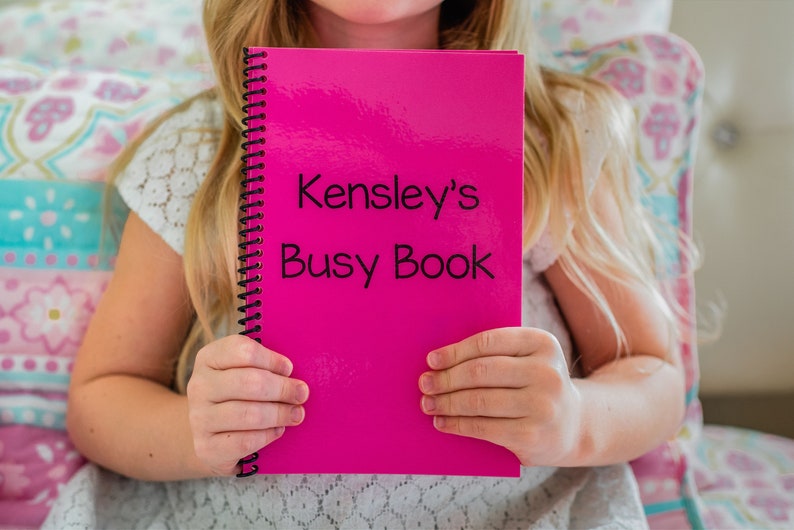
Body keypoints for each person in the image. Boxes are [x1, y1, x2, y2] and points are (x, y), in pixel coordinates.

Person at [43, 0, 695, 528]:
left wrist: (575, 421)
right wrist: (193, 431)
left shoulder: (552, 142)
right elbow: (100, 401)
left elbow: (654, 375)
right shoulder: (201, 151)